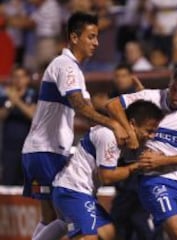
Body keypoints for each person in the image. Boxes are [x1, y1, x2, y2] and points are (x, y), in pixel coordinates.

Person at [21, 12, 126, 240]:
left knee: (52, 218)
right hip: (46, 152)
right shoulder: (66, 66)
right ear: (74, 37)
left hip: (41, 152)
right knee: (63, 216)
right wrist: (115, 124)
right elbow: (80, 106)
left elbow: (89, 112)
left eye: (97, 37)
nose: (96, 43)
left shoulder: (73, 69)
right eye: (91, 37)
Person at [106, 64, 177, 240]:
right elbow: (112, 105)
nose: (175, 97)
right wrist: (130, 132)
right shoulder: (150, 97)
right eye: (174, 89)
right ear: (171, 81)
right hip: (155, 180)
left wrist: (162, 161)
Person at [52, 100, 164, 240]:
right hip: (72, 191)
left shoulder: (123, 138)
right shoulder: (109, 136)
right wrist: (137, 166)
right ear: (133, 124)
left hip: (80, 193)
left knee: (107, 231)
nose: (151, 136)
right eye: (149, 131)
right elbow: (107, 176)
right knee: (89, 237)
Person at [0, 66, 37, 185]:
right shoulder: (5, 96)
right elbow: (2, 116)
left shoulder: (32, 95)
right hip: (9, 148)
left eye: (21, 77)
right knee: (8, 181)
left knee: (26, 183)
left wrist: (17, 101)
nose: (18, 80)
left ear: (27, 79)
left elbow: (33, 115)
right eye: (15, 77)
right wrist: (10, 102)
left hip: (27, 147)